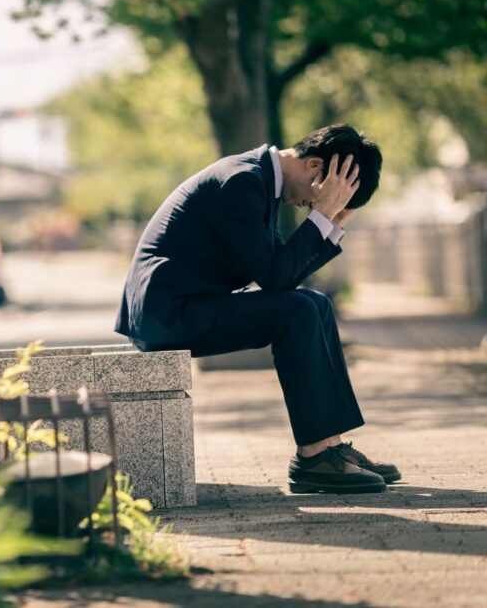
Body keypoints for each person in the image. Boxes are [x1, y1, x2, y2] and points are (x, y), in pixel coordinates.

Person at [114, 123, 398, 494]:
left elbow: (281, 271)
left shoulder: (260, 180)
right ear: (315, 167)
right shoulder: (243, 182)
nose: (314, 205)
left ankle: (329, 445)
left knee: (316, 304)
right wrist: (322, 216)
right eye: (324, 196)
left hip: (191, 305)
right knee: (297, 311)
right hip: (169, 316)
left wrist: (328, 221)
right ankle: (313, 457)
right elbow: (276, 279)